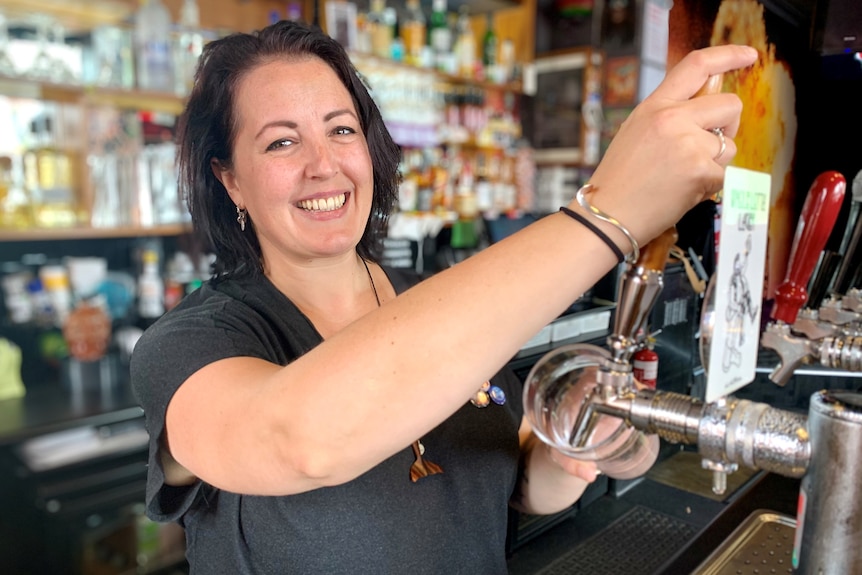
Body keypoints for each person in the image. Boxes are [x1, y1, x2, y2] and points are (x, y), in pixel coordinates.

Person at [130, 18, 757, 574]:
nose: (324, 165)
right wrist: (608, 213)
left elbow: (510, 488)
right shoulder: (191, 344)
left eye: (341, 130)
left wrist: (572, 447)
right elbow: (297, 440)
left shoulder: (439, 309)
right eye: (282, 142)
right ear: (230, 179)